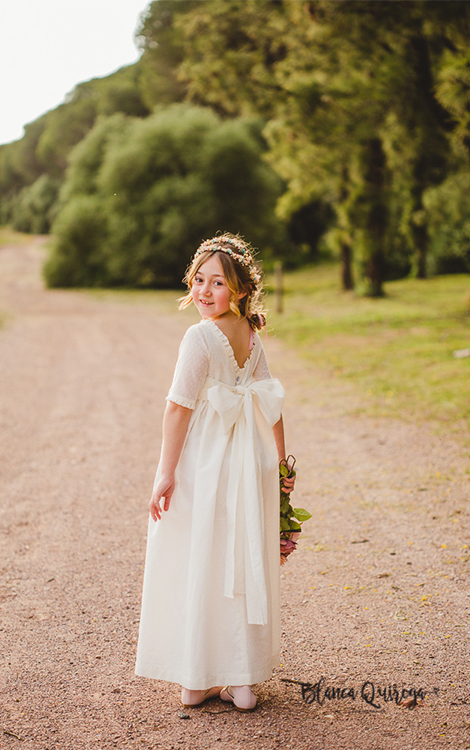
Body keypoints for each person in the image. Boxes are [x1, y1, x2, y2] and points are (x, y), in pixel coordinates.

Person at [135, 234, 296, 712]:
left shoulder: (200, 336)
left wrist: (166, 472)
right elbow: (272, 402)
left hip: (207, 460)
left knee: (200, 554)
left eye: (217, 282)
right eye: (199, 280)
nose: (204, 291)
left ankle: (197, 676)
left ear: (241, 289)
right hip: (249, 460)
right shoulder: (250, 333)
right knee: (239, 557)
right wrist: (282, 462)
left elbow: (178, 408)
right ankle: (239, 680)